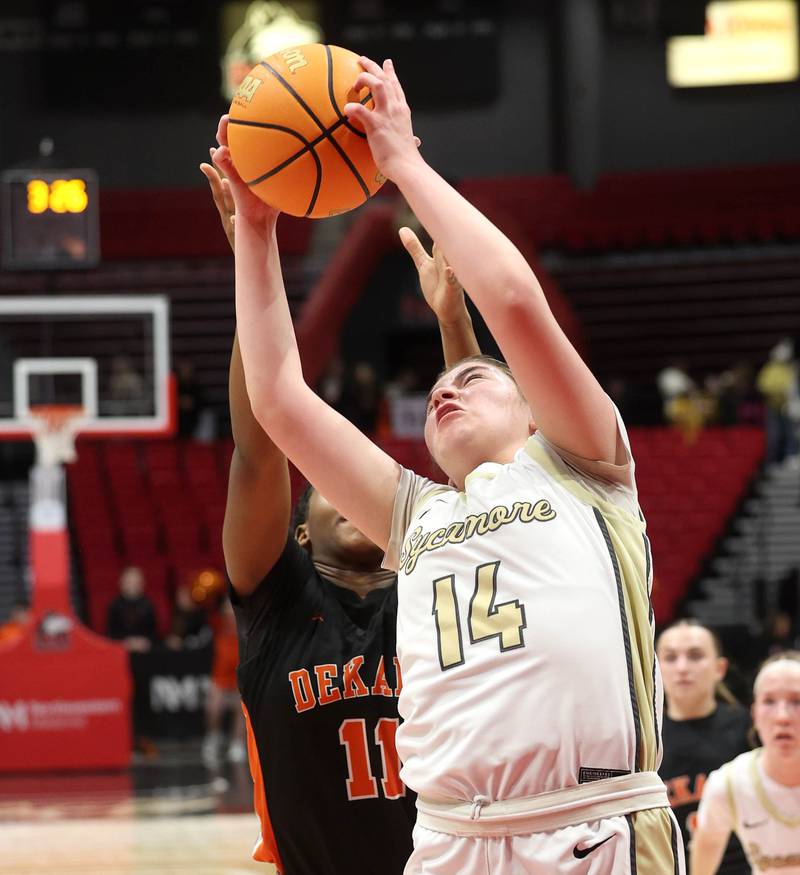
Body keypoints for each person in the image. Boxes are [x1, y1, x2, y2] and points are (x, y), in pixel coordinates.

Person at [212, 55, 682, 874]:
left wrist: (401, 160)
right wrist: (257, 234)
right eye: (439, 389)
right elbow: (280, 400)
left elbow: (513, 300)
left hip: (587, 826)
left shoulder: (585, 468)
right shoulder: (419, 517)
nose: (447, 390)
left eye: (474, 377)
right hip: (447, 841)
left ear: (535, 411)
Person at [199, 153, 479, 875]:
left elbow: (486, 465)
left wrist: (452, 320)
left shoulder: (433, 590)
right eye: (332, 486)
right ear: (298, 528)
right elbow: (261, 446)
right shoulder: (277, 598)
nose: (359, 495)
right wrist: (252, 264)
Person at [691, 651, 800, 874]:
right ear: (755, 714)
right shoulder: (729, 783)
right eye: (769, 701)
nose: (782, 717)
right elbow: (705, 853)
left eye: (797, 701)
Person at [657, 620, 751, 873]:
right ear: (655, 668)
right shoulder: (643, 741)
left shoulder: (749, 728)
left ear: (720, 668)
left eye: (695, 656)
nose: (682, 668)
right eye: (670, 658)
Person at [106, 565, 157, 651]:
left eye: (136, 582)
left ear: (142, 584)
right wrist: (127, 642)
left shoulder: (148, 605)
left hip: (144, 652)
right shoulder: (114, 605)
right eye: (129, 581)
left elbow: (154, 633)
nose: (132, 585)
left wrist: (145, 642)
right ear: (121, 583)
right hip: (121, 651)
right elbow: (110, 633)